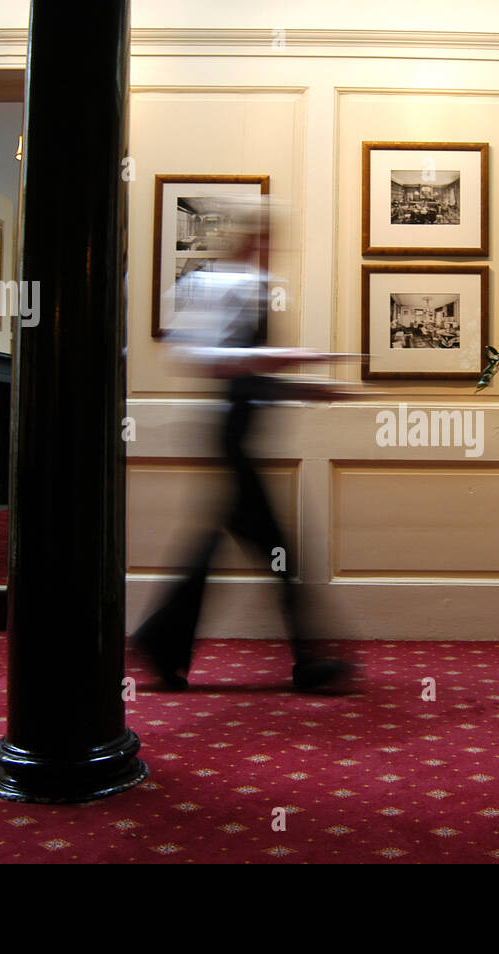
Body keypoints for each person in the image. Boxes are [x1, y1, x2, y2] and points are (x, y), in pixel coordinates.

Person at [132, 200, 355, 692]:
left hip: (239, 436)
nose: (273, 250)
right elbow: (202, 357)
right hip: (229, 437)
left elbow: (249, 374)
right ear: (251, 239)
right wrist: (290, 358)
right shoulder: (219, 285)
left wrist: (308, 387)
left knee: (220, 549)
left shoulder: (250, 288)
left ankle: (162, 641)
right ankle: (309, 660)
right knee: (277, 550)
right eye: (267, 240)